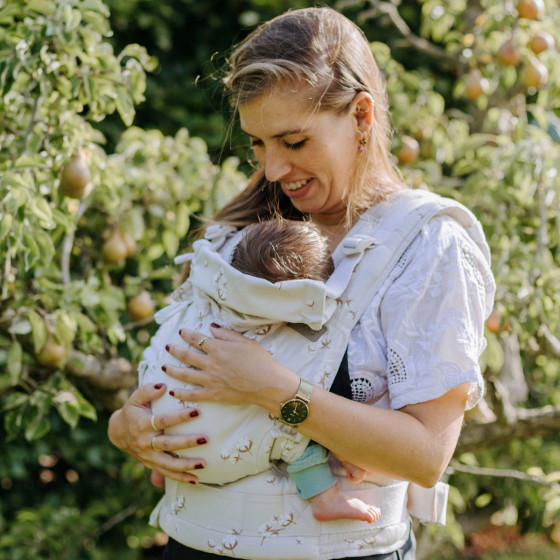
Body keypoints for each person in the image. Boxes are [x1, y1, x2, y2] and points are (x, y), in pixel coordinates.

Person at [108, 7, 495, 560]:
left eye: (293, 141)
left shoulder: (426, 246)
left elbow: (425, 455)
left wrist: (273, 390)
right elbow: (172, 368)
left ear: (362, 115)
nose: (271, 170)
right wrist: (127, 429)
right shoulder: (241, 237)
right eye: (258, 145)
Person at [139, 218, 380, 524]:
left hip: (163, 436)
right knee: (301, 412)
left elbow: (161, 339)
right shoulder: (291, 337)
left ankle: (160, 471)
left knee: (164, 364)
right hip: (220, 457)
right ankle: (324, 496)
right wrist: (344, 448)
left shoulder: (204, 300)